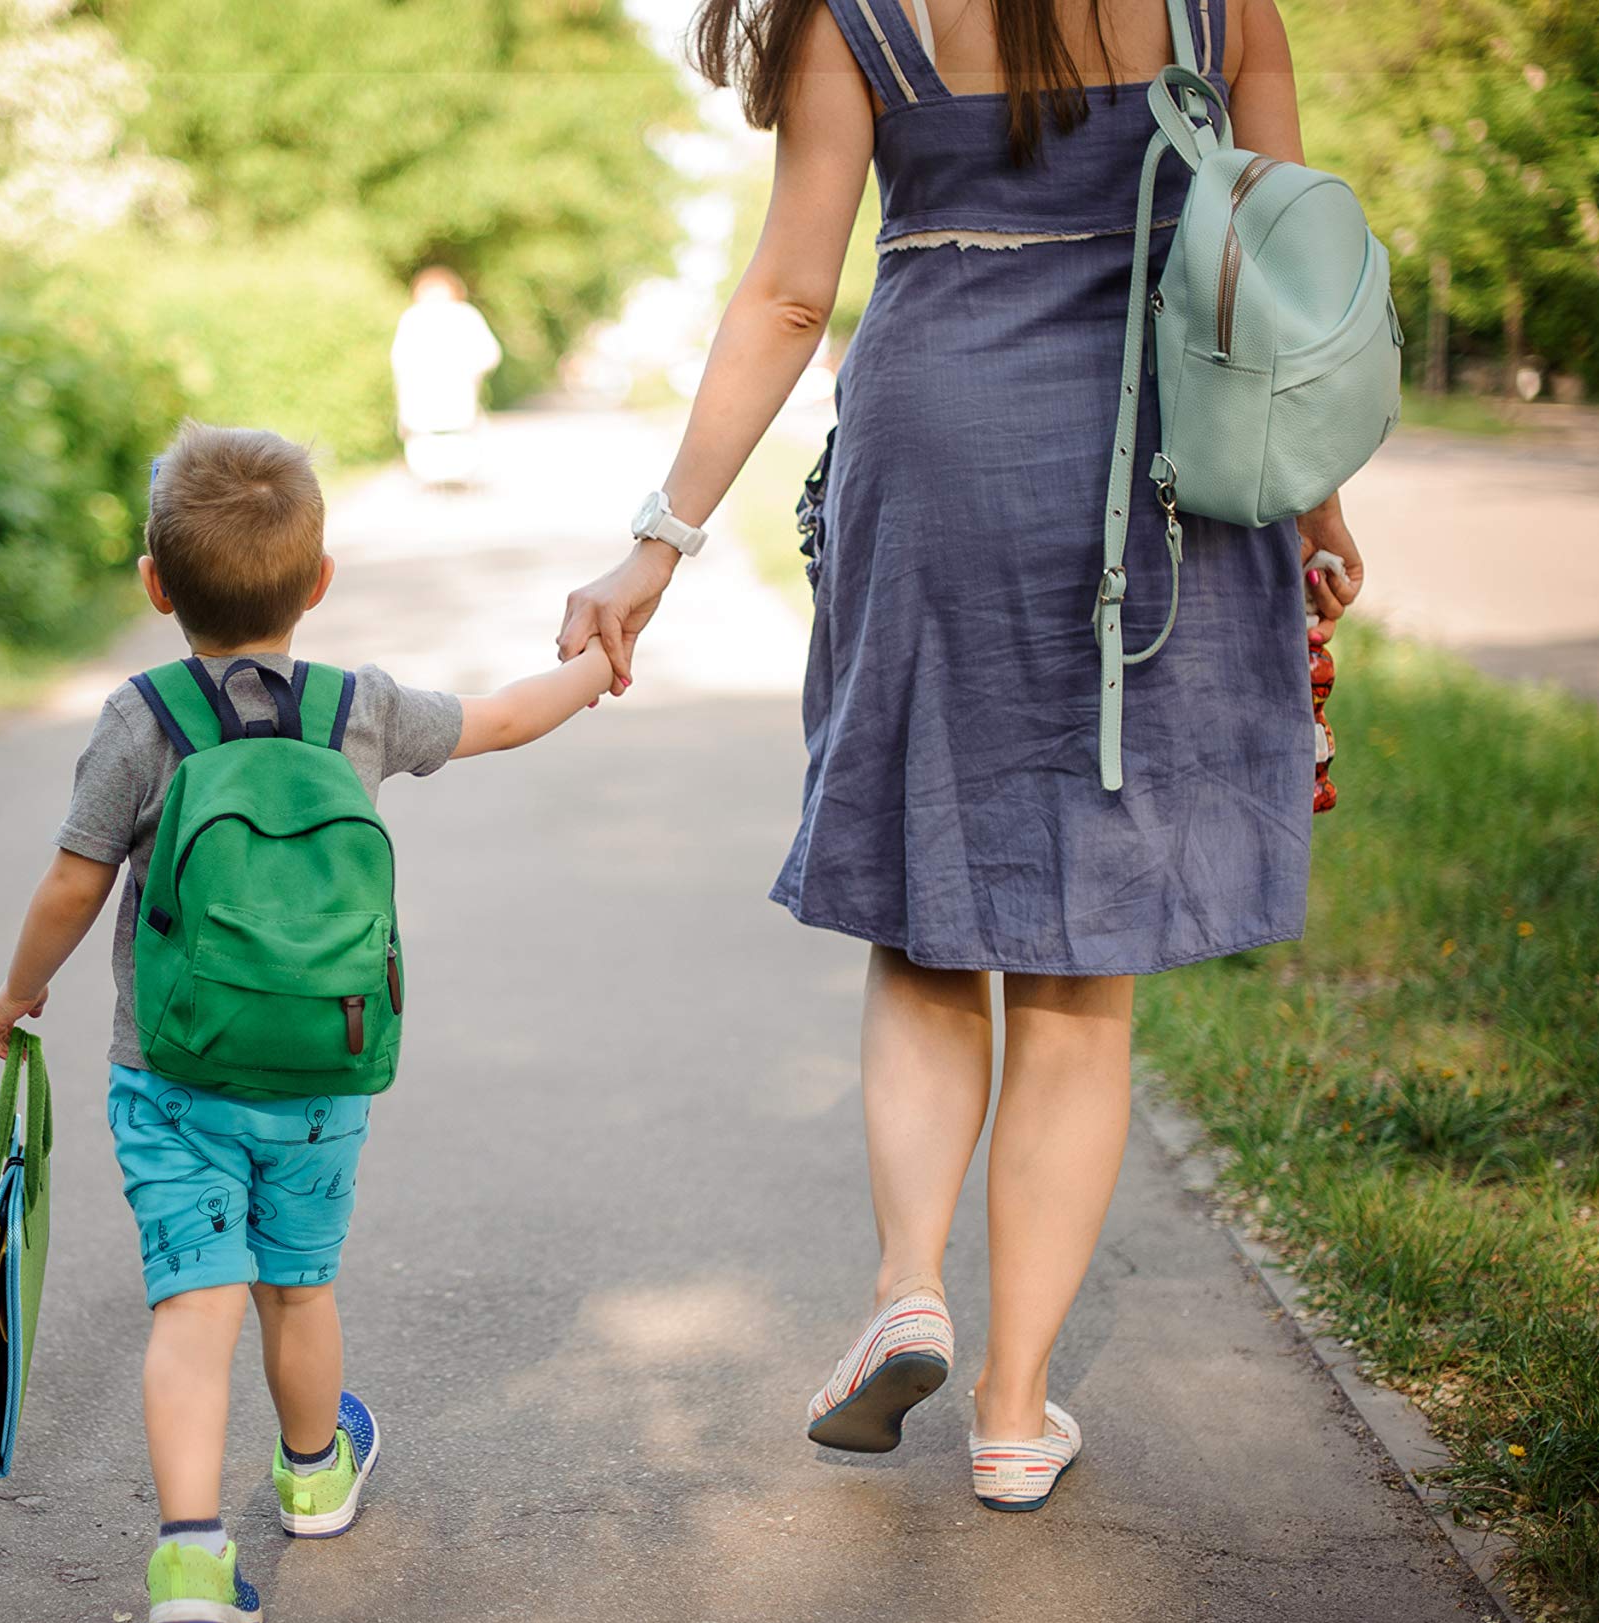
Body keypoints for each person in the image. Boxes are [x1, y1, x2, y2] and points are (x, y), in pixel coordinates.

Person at [556, 0, 1368, 1512]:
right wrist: (1313, 500)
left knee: (934, 914)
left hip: (939, 450)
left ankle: (910, 1284)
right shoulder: (1219, 4)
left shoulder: (859, 15)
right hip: (1165, 473)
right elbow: (1283, 268)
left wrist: (655, 544)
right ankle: (1011, 1412)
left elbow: (795, 297)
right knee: (1079, 977)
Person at [0, 422, 616, 1623]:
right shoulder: (357, 709)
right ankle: (316, 1471)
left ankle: (188, 1559)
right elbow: (498, 719)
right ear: (318, 582)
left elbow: (73, 881)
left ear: (154, 584)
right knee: (299, 1286)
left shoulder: (142, 715)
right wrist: (592, 668)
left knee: (193, 1304)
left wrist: (20, 992)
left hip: (170, 1072)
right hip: (324, 1069)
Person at [391, 267, 503, 486]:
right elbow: (400, 364)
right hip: (423, 406)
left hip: (455, 402)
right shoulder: (413, 318)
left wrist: (468, 370)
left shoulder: (463, 316)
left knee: (455, 459)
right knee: (431, 463)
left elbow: (489, 354)